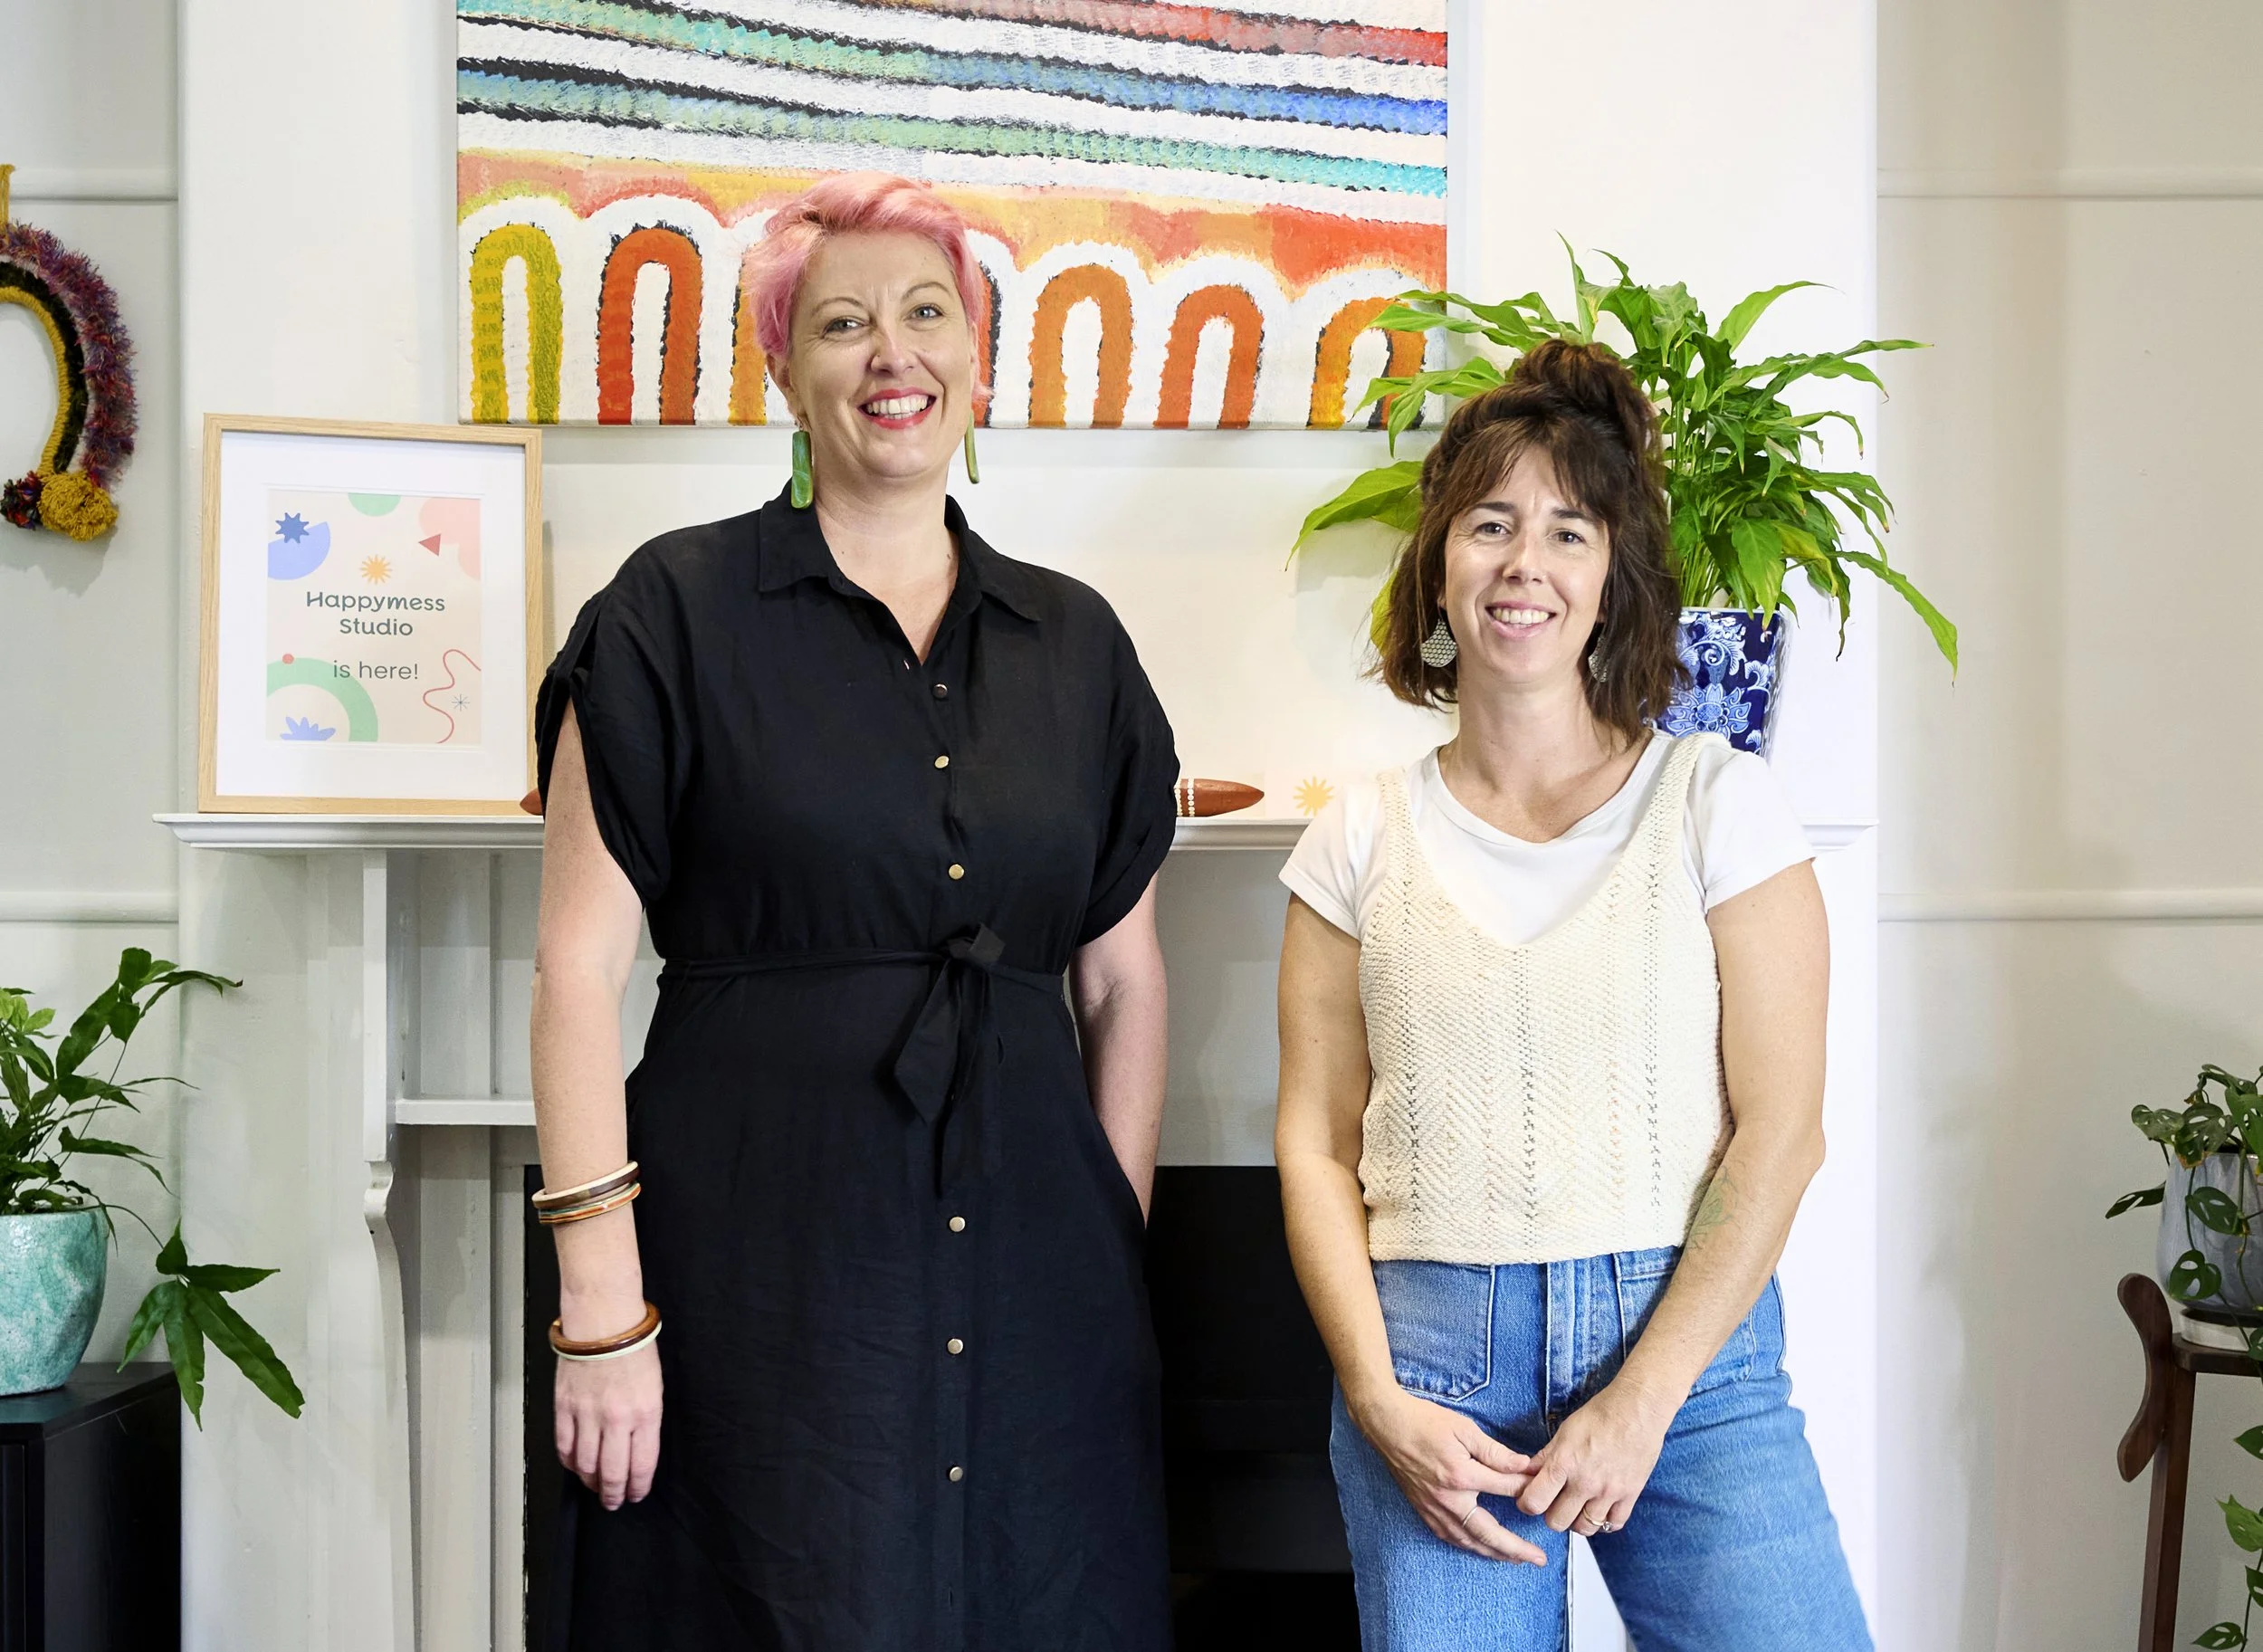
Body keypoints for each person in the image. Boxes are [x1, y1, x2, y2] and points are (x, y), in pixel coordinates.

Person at [528, 172, 1179, 1652]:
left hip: (1036, 1296)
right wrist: (603, 1306)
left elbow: (1125, 981)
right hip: (748, 1275)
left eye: (927, 312)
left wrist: (1105, 1225)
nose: (894, 353)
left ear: (980, 352)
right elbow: (573, 978)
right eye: (842, 324)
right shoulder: (668, 616)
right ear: (784, 368)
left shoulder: (1078, 643)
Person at [1274, 339, 1871, 1649]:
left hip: (1693, 1367)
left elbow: (1783, 1133)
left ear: (1614, 579)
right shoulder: (1357, 838)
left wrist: (1644, 1398)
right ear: (1440, 563)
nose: (1522, 564)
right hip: (1431, 1382)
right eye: (1489, 524)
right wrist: (1376, 1397)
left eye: (1567, 530)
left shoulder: (1720, 804)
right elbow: (1315, 1142)